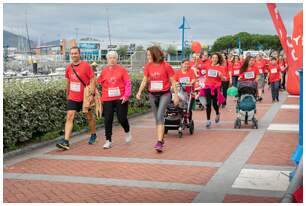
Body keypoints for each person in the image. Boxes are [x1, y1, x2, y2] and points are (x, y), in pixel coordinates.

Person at [136, 46, 179, 152]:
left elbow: (173, 81)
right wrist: (139, 91)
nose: (148, 57)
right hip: (152, 95)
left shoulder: (166, 66)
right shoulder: (148, 66)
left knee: (160, 115)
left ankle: (159, 142)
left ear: (155, 54)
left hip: (165, 94)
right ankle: (161, 138)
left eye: (149, 55)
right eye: (147, 55)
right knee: (157, 119)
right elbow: (145, 80)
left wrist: (176, 95)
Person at [56, 47, 96, 150]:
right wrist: (67, 94)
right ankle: (66, 141)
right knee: (70, 116)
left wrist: (92, 94)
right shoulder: (69, 67)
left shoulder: (86, 66)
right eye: (72, 54)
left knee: (89, 117)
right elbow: (68, 82)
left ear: (79, 54)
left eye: (75, 53)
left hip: (85, 97)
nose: (73, 55)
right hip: (72, 97)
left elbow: (92, 80)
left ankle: (93, 134)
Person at [97, 51, 132, 149]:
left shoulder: (122, 70)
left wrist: (126, 95)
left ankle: (127, 131)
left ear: (117, 59)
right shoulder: (104, 71)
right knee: (108, 119)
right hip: (108, 98)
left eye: (114, 58)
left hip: (121, 98)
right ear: (107, 60)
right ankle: (108, 140)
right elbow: (98, 82)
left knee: (121, 118)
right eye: (110, 58)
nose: (112, 60)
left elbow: (128, 83)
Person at [202, 53, 226, 128]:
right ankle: (208, 120)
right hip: (207, 86)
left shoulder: (221, 68)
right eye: (213, 57)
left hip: (216, 87)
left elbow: (224, 79)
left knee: (215, 104)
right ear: (211, 58)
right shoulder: (207, 66)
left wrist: (220, 75)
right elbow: (200, 70)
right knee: (208, 103)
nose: (214, 59)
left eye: (216, 58)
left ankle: (217, 113)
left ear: (218, 59)